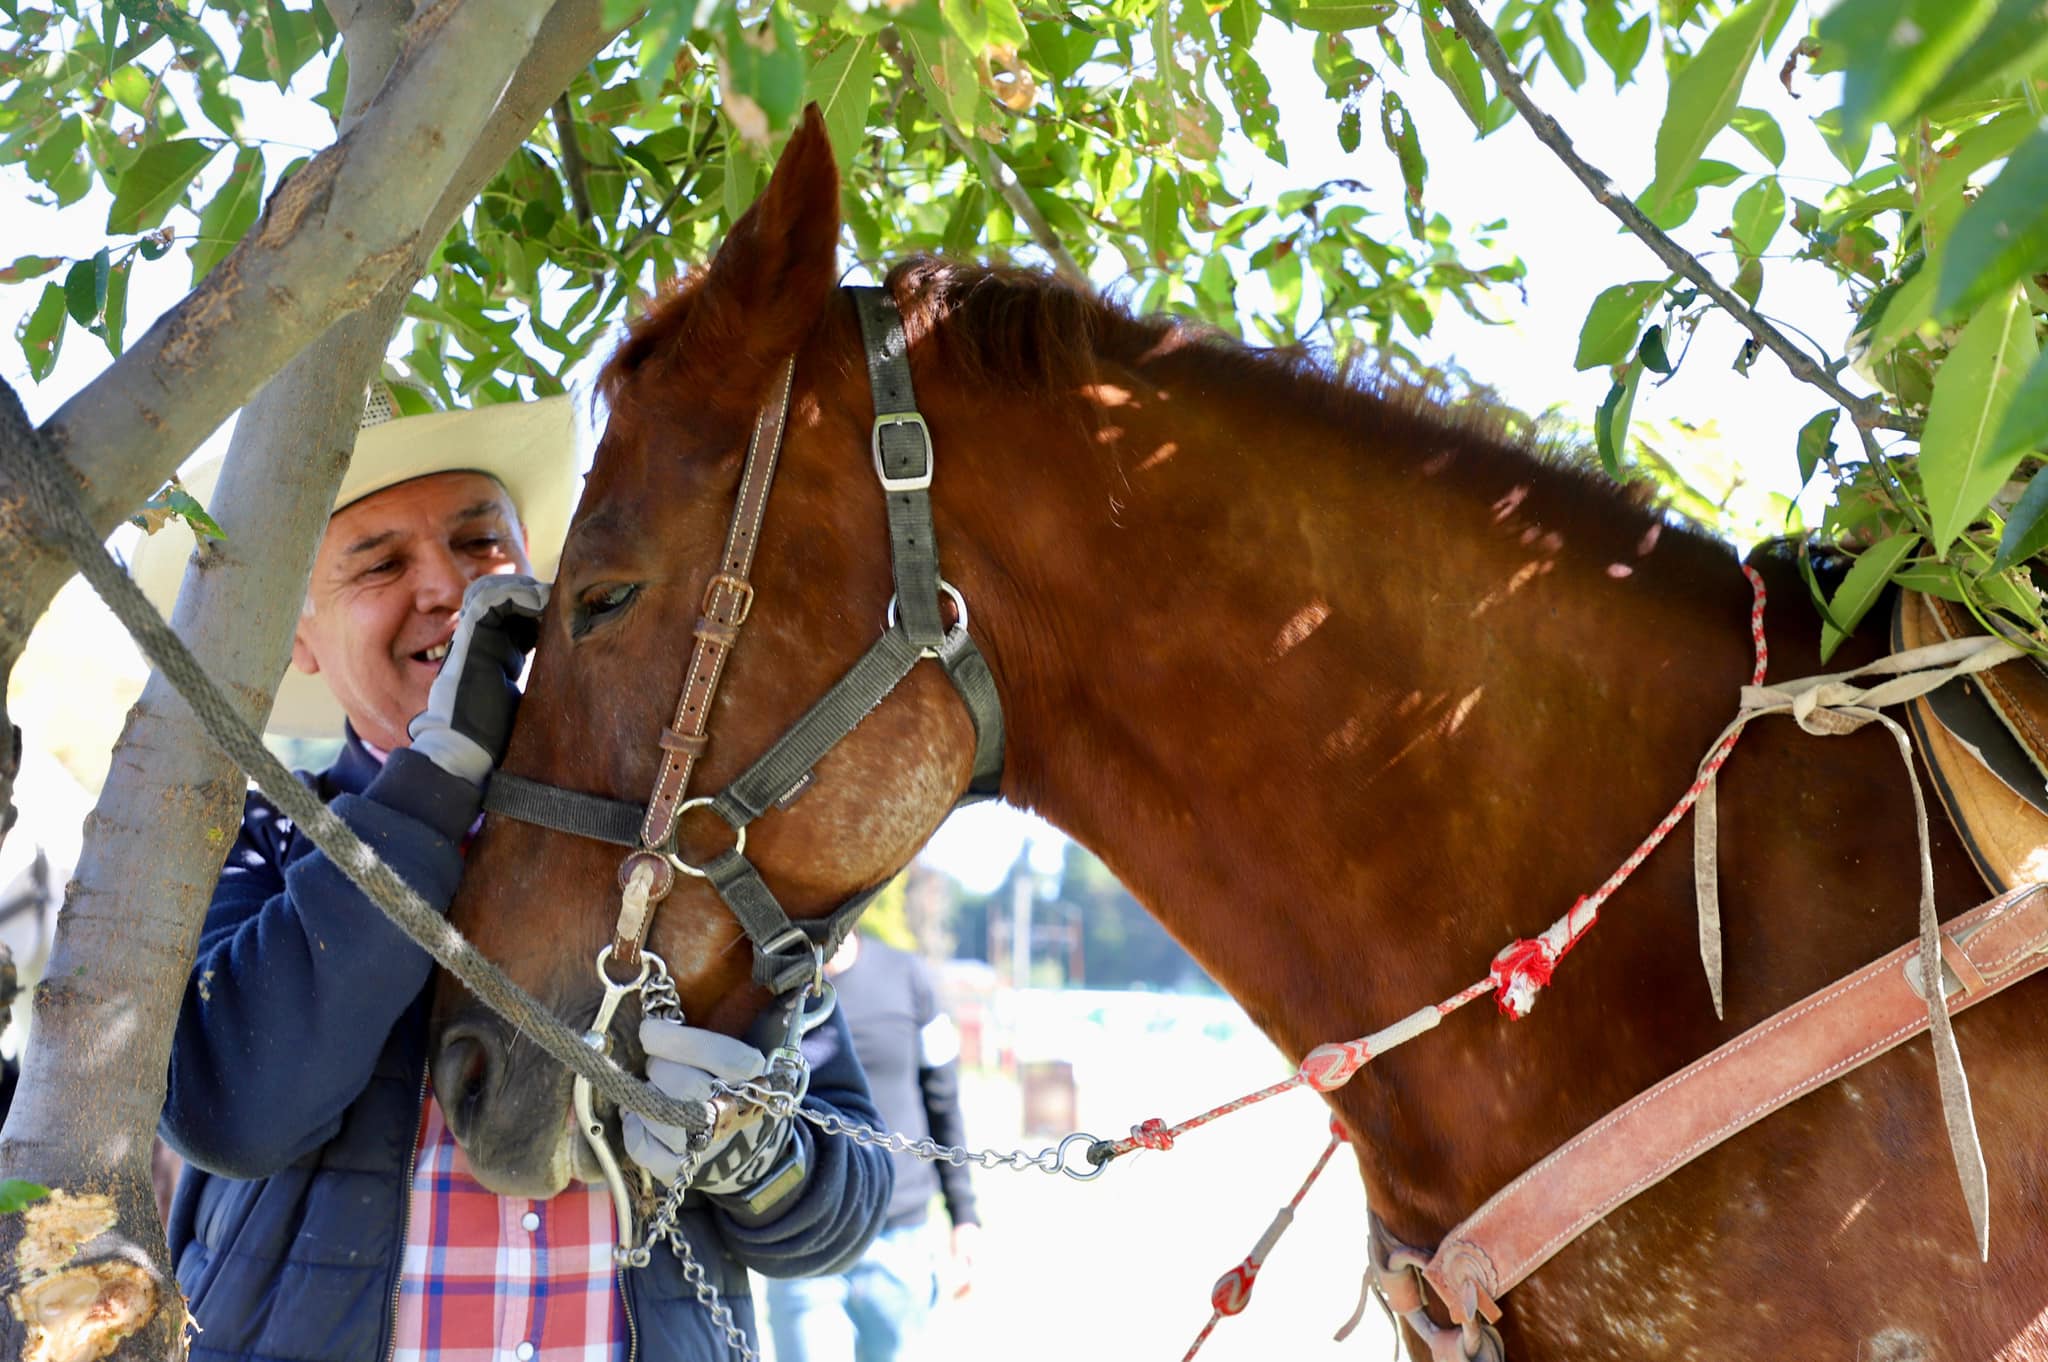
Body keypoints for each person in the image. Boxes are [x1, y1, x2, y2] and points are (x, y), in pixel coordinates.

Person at [142, 390, 892, 1362]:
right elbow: (231, 1112)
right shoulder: (253, 843)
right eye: (380, 563)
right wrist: (436, 781)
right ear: (302, 641)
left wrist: (756, 1158)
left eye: (479, 545)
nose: (448, 588)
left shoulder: (693, 855)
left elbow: (845, 1204)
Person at [767, 929, 981, 1362]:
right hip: (803, 1240)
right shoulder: (769, 987)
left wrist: (964, 1216)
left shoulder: (909, 976)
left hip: (900, 1239)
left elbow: (943, 1100)